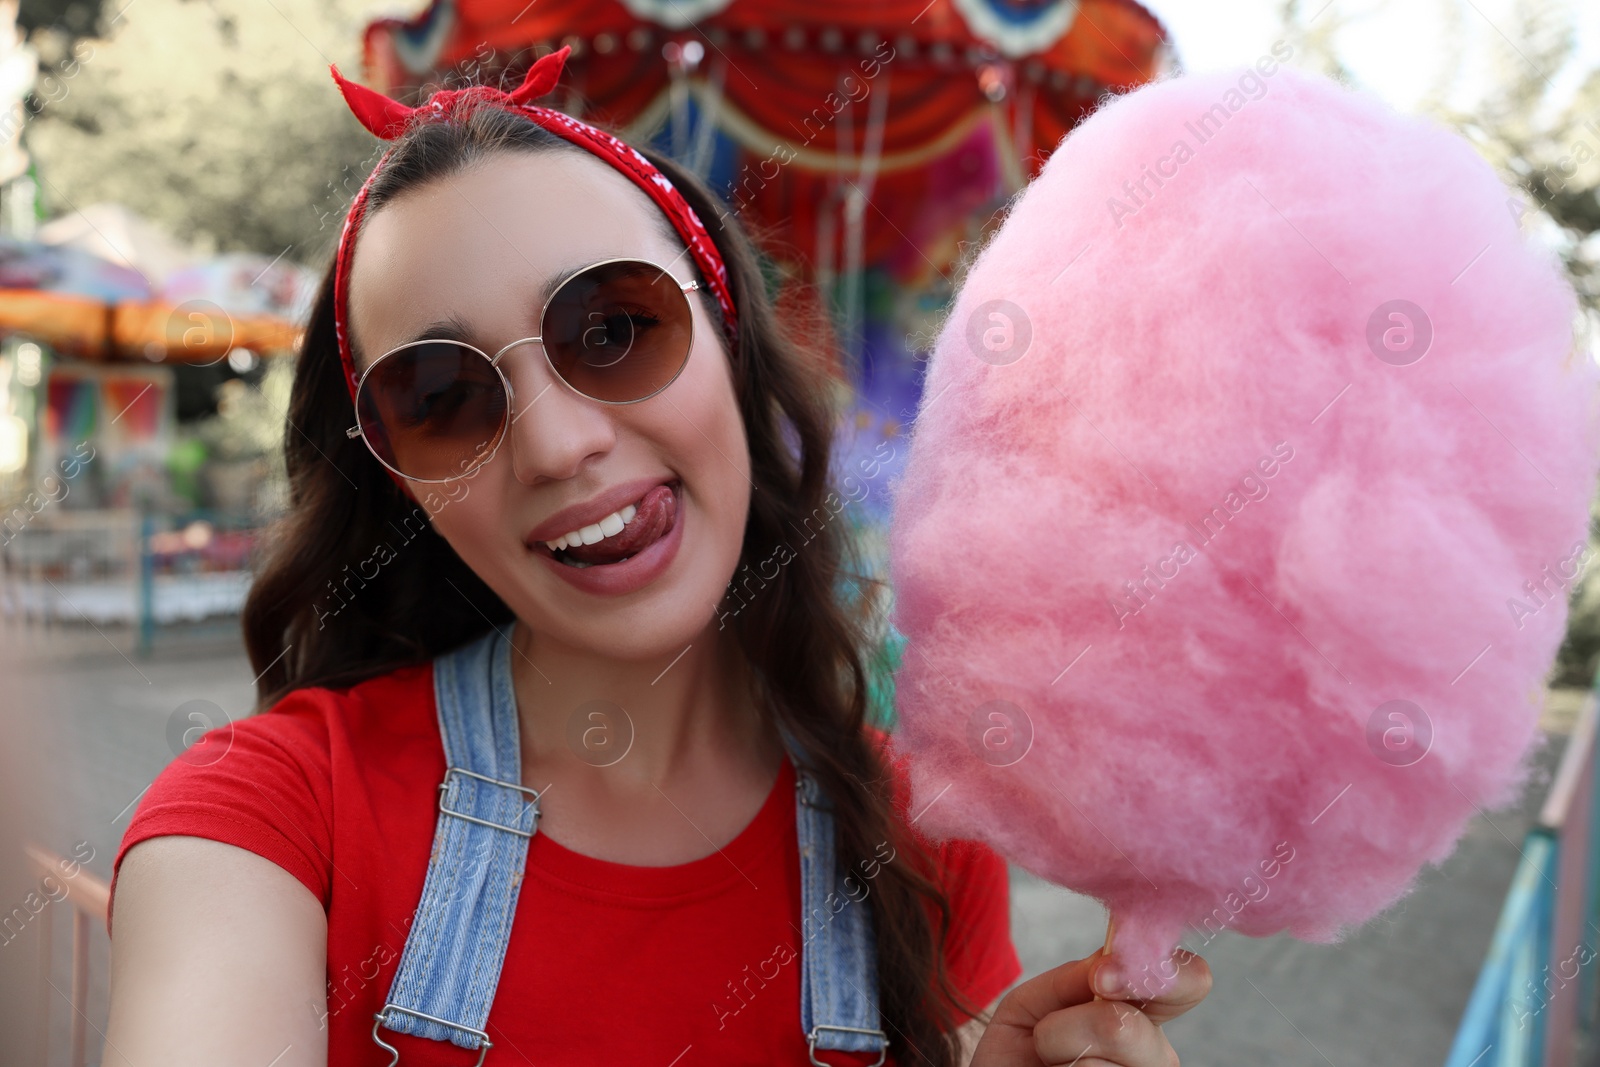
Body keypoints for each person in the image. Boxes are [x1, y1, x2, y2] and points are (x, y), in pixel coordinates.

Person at [103, 47, 1209, 1066]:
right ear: (401, 483)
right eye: (440, 398)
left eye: (615, 327)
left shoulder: (921, 834)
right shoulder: (270, 812)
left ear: (728, 337)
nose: (557, 441)